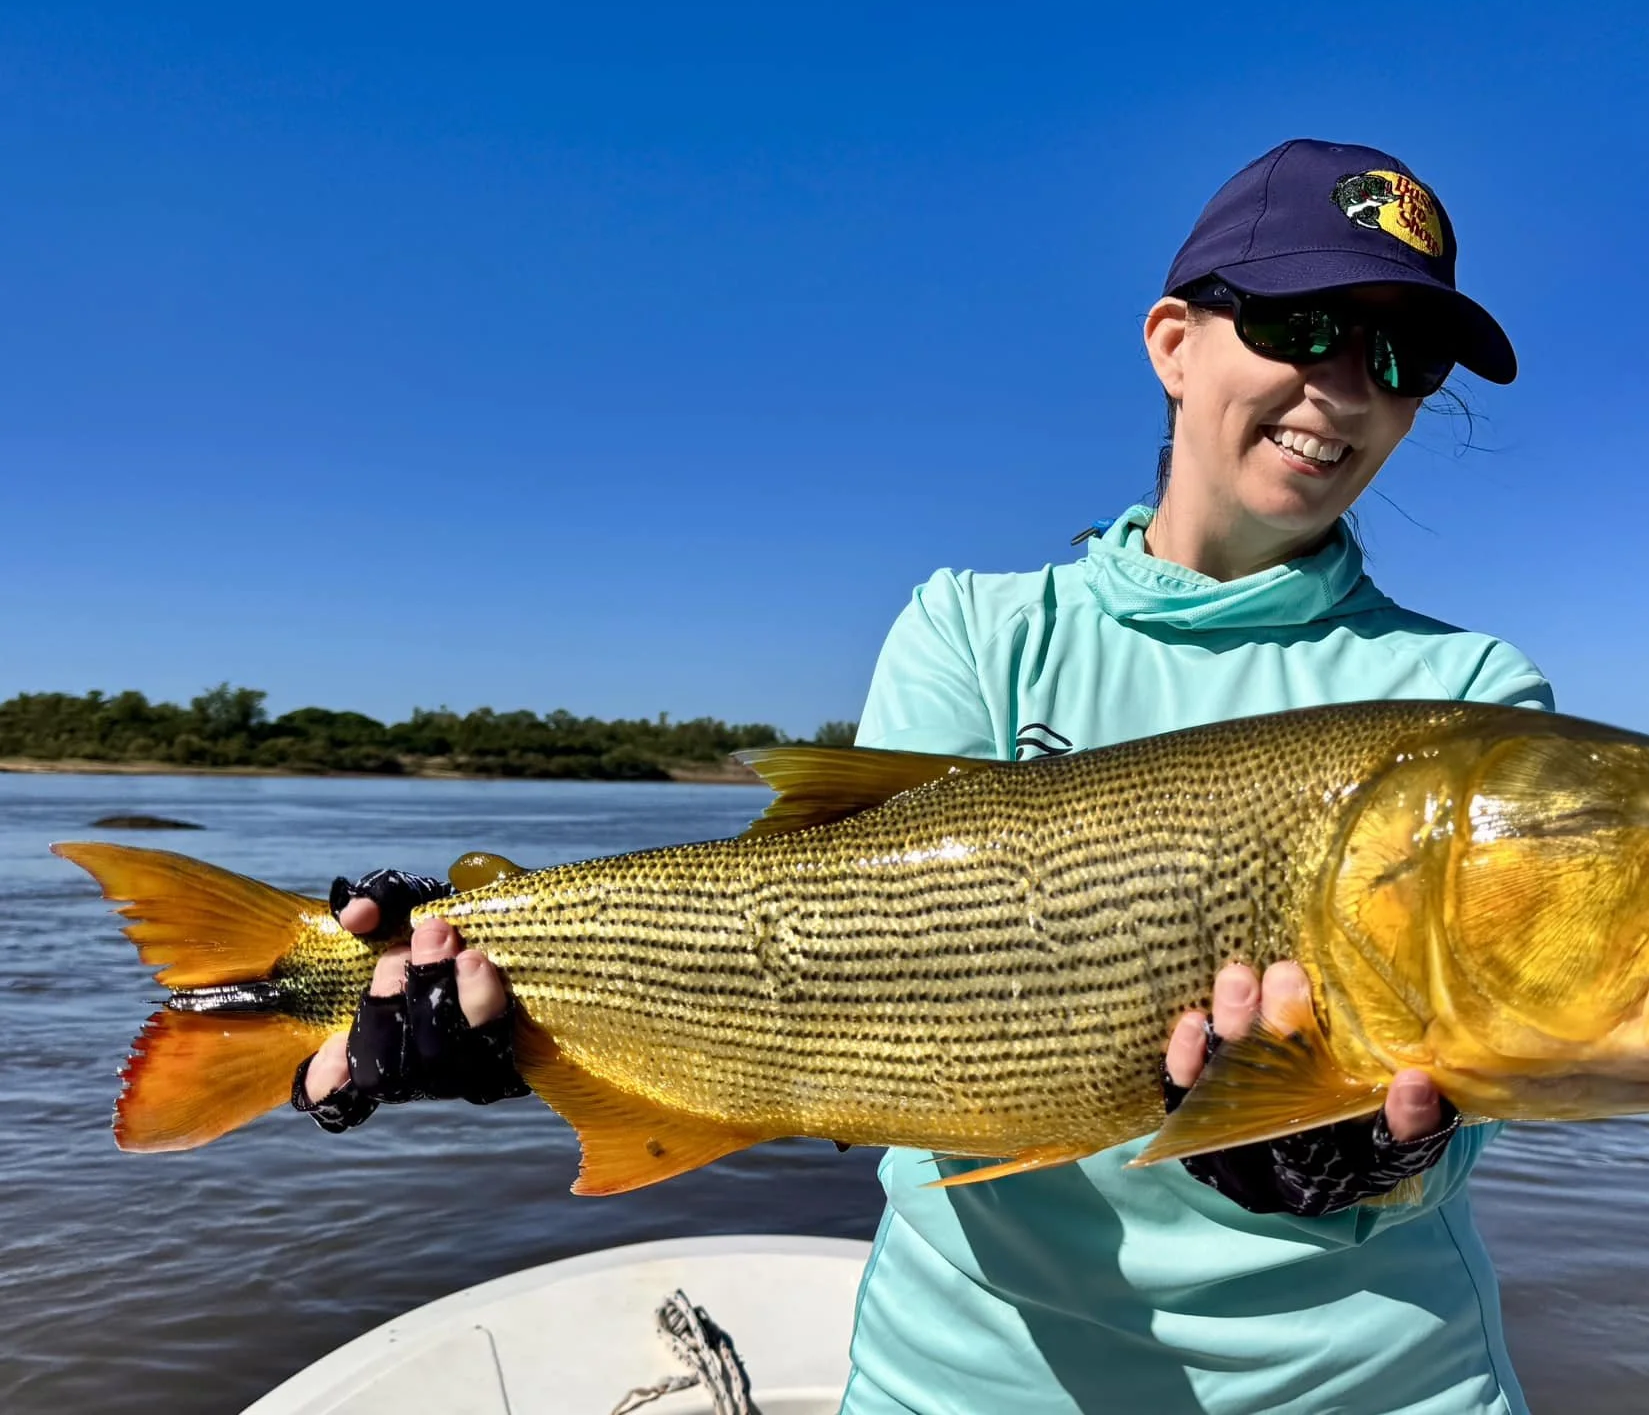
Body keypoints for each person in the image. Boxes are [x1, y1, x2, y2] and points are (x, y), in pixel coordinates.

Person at [297, 138, 1548, 1415]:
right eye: (1305, 323)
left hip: (1373, 1385)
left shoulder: (1473, 705)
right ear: (1173, 342)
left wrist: (1388, 1159)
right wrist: (516, 996)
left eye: (1403, 358)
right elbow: (824, 941)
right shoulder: (972, 629)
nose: (1344, 386)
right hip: (962, 1382)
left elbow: (1494, 1079)